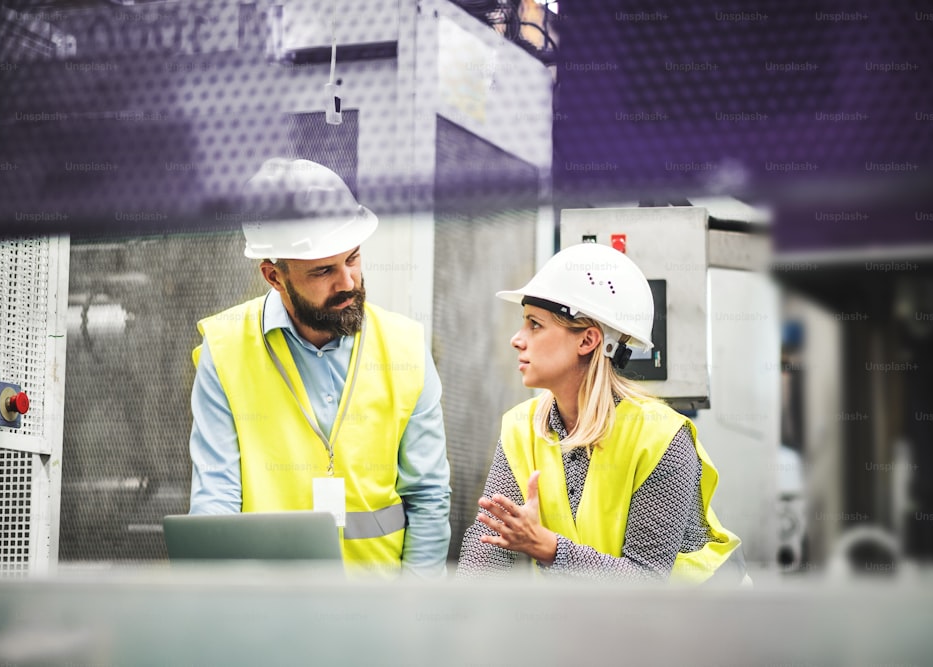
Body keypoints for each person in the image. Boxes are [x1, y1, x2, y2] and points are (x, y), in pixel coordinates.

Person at [188, 158, 451, 577]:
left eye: (353, 259)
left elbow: (428, 498)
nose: (347, 282)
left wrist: (413, 616)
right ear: (274, 276)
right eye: (324, 270)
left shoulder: (406, 348)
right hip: (269, 615)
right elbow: (215, 498)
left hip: (381, 617)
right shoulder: (225, 349)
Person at [456, 242, 747, 583]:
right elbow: (486, 552)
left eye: (535, 324)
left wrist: (549, 548)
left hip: (701, 625)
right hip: (602, 620)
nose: (517, 340)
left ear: (587, 340)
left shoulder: (661, 438)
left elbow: (647, 581)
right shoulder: (521, 429)